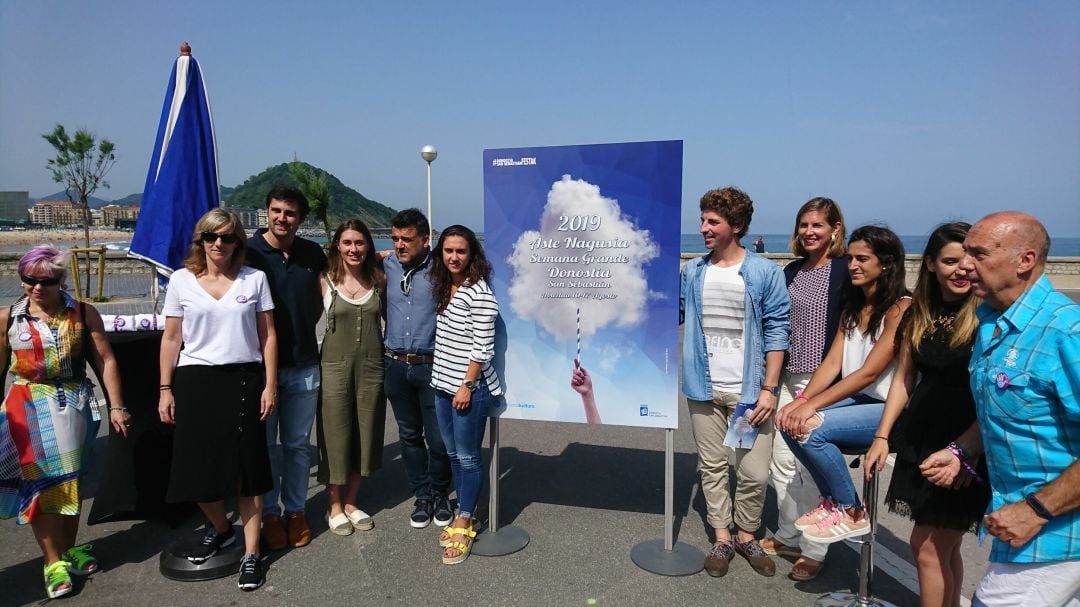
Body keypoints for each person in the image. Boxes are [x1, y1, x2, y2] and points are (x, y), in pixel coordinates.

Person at [919, 212, 1080, 607]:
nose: (965, 263)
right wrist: (963, 450)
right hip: (1019, 528)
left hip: (1054, 537)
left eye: (979, 253)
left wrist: (1036, 509)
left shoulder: (1065, 332)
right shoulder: (991, 322)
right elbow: (1005, 409)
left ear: (1024, 260)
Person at [864, 222, 990, 607]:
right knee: (943, 548)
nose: (962, 269)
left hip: (966, 443)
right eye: (951, 261)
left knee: (927, 546)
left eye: (970, 260)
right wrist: (882, 436)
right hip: (922, 437)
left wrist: (968, 448)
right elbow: (904, 379)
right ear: (931, 265)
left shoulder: (987, 316)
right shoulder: (918, 312)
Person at [0, 245, 130, 600]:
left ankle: (69, 549)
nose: (37, 287)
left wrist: (116, 406)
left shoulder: (83, 314)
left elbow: (106, 360)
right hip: (28, 408)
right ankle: (52, 560)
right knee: (42, 488)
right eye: (29, 279)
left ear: (62, 279)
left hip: (76, 405)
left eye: (48, 280)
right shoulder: (8, 317)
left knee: (72, 482)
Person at [158, 209, 277, 591]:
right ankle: (223, 528)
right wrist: (165, 388)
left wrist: (270, 384)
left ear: (239, 242)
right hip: (195, 381)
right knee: (196, 471)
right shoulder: (181, 281)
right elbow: (172, 338)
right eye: (212, 237)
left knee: (248, 472)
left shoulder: (254, 279)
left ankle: (251, 554)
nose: (219, 244)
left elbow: (268, 335)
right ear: (201, 242)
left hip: (244, 379)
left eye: (228, 238)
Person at [680, 187, 791, 578]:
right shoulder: (693, 270)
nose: (703, 228)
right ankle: (723, 537)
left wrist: (769, 389)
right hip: (703, 387)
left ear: (737, 226)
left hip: (749, 391)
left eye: (713, 221)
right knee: (711, 467)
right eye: (703, 219)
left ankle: (748, 534)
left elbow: (778, 331)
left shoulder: (763, 272)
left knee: (753, 471)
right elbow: (670, 313)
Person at [776, 225, 910, 545]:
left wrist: (811, 405)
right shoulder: (853, 306)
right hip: (862, 401)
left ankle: (851, 509)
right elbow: (832, 364)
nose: (853, 266)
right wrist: (803, 398)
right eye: (850, 258)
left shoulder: (901, 308)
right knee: (787, 419)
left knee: (812, 428)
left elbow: (867, 373)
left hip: (890, 408)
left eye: (862, 259)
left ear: (887, 263)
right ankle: (833, 502)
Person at [763, 197, 849, 581]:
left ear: (835, 229)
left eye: (817, 225)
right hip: (788, 378)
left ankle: (815, 549)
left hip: (824, 383)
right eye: (804, 225)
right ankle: (789, 534)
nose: (810, 232)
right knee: (781, 462)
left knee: (810, 466)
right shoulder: (792, 271)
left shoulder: (846, 270)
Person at [245, 185, 327, 550]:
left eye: (290, 213)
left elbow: (323, 296)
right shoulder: (247, 252)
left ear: (301, 219)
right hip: (260, 369)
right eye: (276, 210)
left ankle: (295, 511)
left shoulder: (311, 252)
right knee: (266, 447)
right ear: (267, 212)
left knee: (296, 445)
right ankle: (269, 516)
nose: (282, 218)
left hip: (305, 363)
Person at [429, 225, 501, 565]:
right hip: (442, 384)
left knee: (469, 457)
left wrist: (468, 385)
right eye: (448, 251)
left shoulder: (479, 292)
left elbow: (482, 347)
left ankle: (464, 518)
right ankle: (464, 510)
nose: (454, 257)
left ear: (472, 254)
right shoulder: (446, 287)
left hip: (468, 389)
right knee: (453, 454)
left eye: (460, 251)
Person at [383, 209, 454, 529]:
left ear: (427, 240)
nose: (399, 245)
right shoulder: (385, 265)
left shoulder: (442, 269)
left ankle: (441, 493)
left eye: (407, 239)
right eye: (395, 238)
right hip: (396, 365)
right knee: (409, 436)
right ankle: (422, 495)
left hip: (432, 366)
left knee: (438, 439)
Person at [316, 220, 387, 536]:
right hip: (334, 369)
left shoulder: (379, 280)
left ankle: (352, 501)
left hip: (372, 368)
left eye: (360, 243)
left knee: (366, 432)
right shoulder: (325, 281)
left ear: (368, 246)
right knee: (335, 435)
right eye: (347, 243)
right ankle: (333, 505)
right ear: (337, 246)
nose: (354, 249)